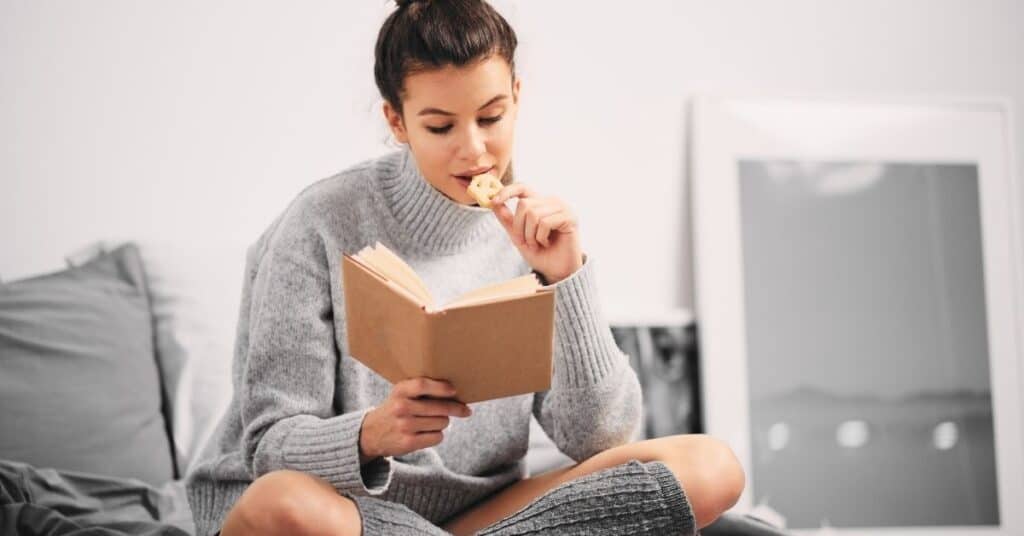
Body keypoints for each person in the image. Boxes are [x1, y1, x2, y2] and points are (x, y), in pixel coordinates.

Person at [184, 1, 745, 534]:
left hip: (482, 512)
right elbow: (268, 448)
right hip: (340, 514)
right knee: (282, 506)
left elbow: (600, 440)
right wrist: (370, 434)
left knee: (711, 465)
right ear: (397, 121)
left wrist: (566, 277)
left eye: (491, 117)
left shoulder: (532, 232)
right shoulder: (318, 223)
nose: (475, 150)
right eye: (440, 126)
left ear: (517, 97)